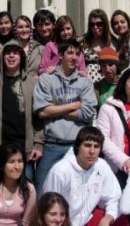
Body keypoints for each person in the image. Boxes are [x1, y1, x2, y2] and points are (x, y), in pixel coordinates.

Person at [33, 39, 97, 195]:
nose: (73, 57)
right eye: (69, 52)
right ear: (60, 55)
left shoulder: (84, 82)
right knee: (42, 191)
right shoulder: (46, 79)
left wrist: (55, 108)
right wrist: (73, 105)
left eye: (77, 54)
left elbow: (88, 113)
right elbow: (41, 112)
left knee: (75, 193)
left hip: (76, 147)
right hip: (51, 145)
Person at [0, 43, 44, 180]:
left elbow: (39, 116)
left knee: (24, 195)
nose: (11, 55)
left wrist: (38, 143)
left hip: (25, 151)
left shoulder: (32, 83)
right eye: (8, 52)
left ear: (22, 57)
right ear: (2, 56)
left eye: (16, 53)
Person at [95, 67, 130, 225]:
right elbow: (103, 139)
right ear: (124, 83)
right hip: (117, 168)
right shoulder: (108, 108)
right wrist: (124, 160)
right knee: (117, 212)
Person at [42, 127, 121, 226]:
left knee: (121, 218)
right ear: (78, 146)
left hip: (86, 220)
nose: (92, 151)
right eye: (87, 145)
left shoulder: (101, 166)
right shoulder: (60, 171)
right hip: (62, 223)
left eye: (96, 146)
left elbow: (115, 197)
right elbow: (47, 208)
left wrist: (108, 218)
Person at [0, 143, 37, 226]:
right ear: (1, 165)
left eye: (20, 161)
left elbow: (27, 222)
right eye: (11, 162)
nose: (17, 167)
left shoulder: (29, 189)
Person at [78, 9, 113, 84]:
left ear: (105, 24)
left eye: (99, 24)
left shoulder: (112, 42)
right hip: (87, 84)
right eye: (92, 24)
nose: (95, 27)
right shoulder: (83, 41)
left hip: (107, 84)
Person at [93, 47, 120, 113]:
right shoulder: (97, 87)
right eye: (104, 66)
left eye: (110, 65)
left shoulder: (124, 84)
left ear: (116, 66)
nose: (107, 69)